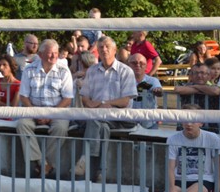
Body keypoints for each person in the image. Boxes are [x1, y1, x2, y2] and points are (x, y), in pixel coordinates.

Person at [75, 36, 136, 181]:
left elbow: (125, 101)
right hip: (98, 117)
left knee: (96, 119)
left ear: (115, 50)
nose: (104, 49)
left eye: (107, 46)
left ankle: (85, 157)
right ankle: (101, 171)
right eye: (101, 47)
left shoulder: (125, 71)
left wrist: (103, 103)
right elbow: (85, 97)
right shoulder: (92, 70)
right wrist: (92, 104)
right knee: (102, 126)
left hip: (118, 116)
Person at [16, 39, 74, 178]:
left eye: (55, 53)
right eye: (50, 53)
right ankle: (43, 163)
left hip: (57, 111)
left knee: (61, 127)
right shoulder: (29, 69)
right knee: (22, 124)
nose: (54, 56)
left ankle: (43, 164)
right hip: (34, 110)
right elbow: (23, 96)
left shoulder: (64, 71)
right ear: (41, 55)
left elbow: (67, 98)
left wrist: (50, 115)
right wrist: (36, 114)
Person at [127, 52, 163, 130]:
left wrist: (158, 91)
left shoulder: (153, 81)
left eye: (141, 63)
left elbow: (160, 92)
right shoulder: (124, 81)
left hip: (149, 123)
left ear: (146, 65)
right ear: (128, 65)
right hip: (128, 123)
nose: (138, 65)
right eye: (134, 63)